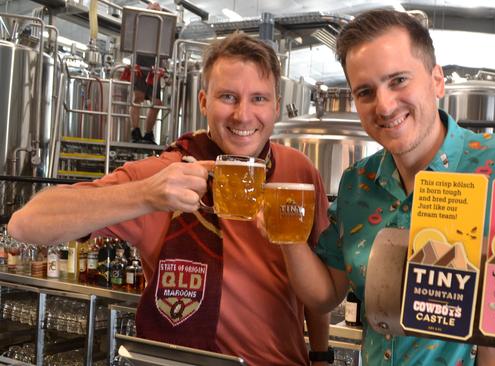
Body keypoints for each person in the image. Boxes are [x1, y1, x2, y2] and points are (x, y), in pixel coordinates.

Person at [8, 33, 331, 366]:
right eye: (228, 97)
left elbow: (320, 272)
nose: (243, 115)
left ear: (277, 106)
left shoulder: (299, 172)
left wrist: (321, 355)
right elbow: (25, 224)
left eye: (259, 98)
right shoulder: (166, 175)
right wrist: (146, 194)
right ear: (204, 102)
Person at [277, 9, 495, 366]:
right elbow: (325, 295)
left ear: (436, 80)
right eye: (365, 92)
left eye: (398, 81)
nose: (384, 105)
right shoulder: (357, 184)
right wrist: (282, 231)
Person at [129, 1, 164, 144]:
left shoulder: (162, 26)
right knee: (138, 97)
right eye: (153, 7)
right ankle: (135, 131)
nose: (155, 8)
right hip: (141, 62)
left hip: (155, 65)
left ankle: (148, 133)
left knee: (157, 102)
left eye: (158, 8)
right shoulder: (140, 22)